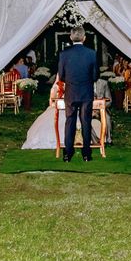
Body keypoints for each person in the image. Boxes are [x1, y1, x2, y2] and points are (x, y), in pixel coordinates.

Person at [58, 26, 98, 162]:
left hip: (71, 93)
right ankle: (86, 154)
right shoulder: (91, 53)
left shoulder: (64, 54)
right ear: (84, 38)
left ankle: (68, 154)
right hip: (86, 93)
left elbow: (61, 76)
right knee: (86, 122)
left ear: (70, 37)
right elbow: (95, 76)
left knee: (70, 122)